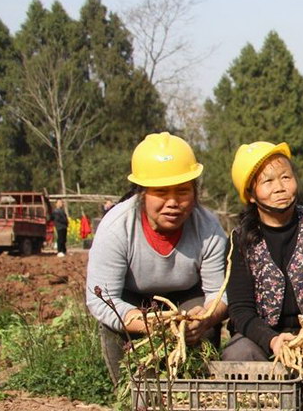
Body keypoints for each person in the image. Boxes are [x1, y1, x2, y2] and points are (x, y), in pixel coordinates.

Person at [85, 132, 229, 384]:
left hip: (186, 299)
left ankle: (194, 392)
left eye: (183, 191)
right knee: (113, 325)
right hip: (133, 301)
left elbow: (219, 292)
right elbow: (102, 298)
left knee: (206, 327)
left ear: (195, 192)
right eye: (161, 192)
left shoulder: (208, 227)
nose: (173, 202)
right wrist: (143, 323)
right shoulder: (117, 227)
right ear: (142, 192)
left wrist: (205, 317)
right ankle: (132, 398)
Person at [222, 141, 303, 361]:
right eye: (267, 181)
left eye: (286, 177)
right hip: (263, 337)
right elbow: (240, 310)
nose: (279, 187)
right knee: (239, 354)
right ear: (250, 194)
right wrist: (272, 340)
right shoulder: (239, 240)